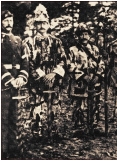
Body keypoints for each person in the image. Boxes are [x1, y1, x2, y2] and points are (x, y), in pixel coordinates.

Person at [23, 4, 66, 135]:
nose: (41, 26)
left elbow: (63, 59)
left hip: (53, 78)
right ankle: (38, 132)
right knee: (37, 105)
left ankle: (53, 131)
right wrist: (41, 75)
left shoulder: (56, 41)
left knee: (54, 105)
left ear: (48, 24)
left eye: (44, 23)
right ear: (34, 25)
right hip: (37, 79)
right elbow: (27, 62)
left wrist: (53, 73)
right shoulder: (28, 42)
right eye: (38, 23)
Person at [1, 10, 29, 159]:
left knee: (14, 117)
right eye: (5, 20)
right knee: (2, 118)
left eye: (10, 20)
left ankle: (13, 149)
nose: (8, 23)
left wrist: (21, 78)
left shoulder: (19, 40)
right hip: (2, 86)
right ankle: (2, 151)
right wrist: (9, 79)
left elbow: (25, 62)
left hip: (16, 86)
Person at [67, 22, 105, 129]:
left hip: (94, 80)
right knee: (79, 103)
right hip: (80, 81)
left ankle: (93, 125)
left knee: (95, 102)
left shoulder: (95, 49)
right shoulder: (73, 50)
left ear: (89, 35)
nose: (84, 37)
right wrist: (83, 76)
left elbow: (101, 63)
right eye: (81, 34)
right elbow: (69, 65)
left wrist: (98, 75)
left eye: (86, 34)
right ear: (78, 36)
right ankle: (80, 126)